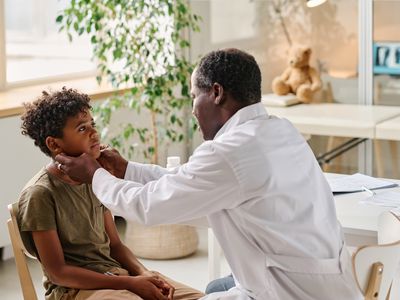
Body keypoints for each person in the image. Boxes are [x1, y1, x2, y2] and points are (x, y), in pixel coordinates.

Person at [55, 49, 363, 300]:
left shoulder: (229, 152)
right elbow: (189, 183)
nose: (192, 110)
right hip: (329, 285)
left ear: (216, 93)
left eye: (193, 97)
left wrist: (94, 174)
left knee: (214, 289)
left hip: (288, 291)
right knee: (216, 288)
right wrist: (126, 170)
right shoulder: (279, 130)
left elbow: (148, 207)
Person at [19, 87, 205, 300]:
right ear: (54, 143)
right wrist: (129, 283)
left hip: (118, 277)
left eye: (93, 125)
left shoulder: (95, 178)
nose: (94, 133)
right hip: (75, 290)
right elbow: (58, 273)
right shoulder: (40, 194)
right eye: (82, 128)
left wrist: (145, 274)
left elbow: (115, 246)